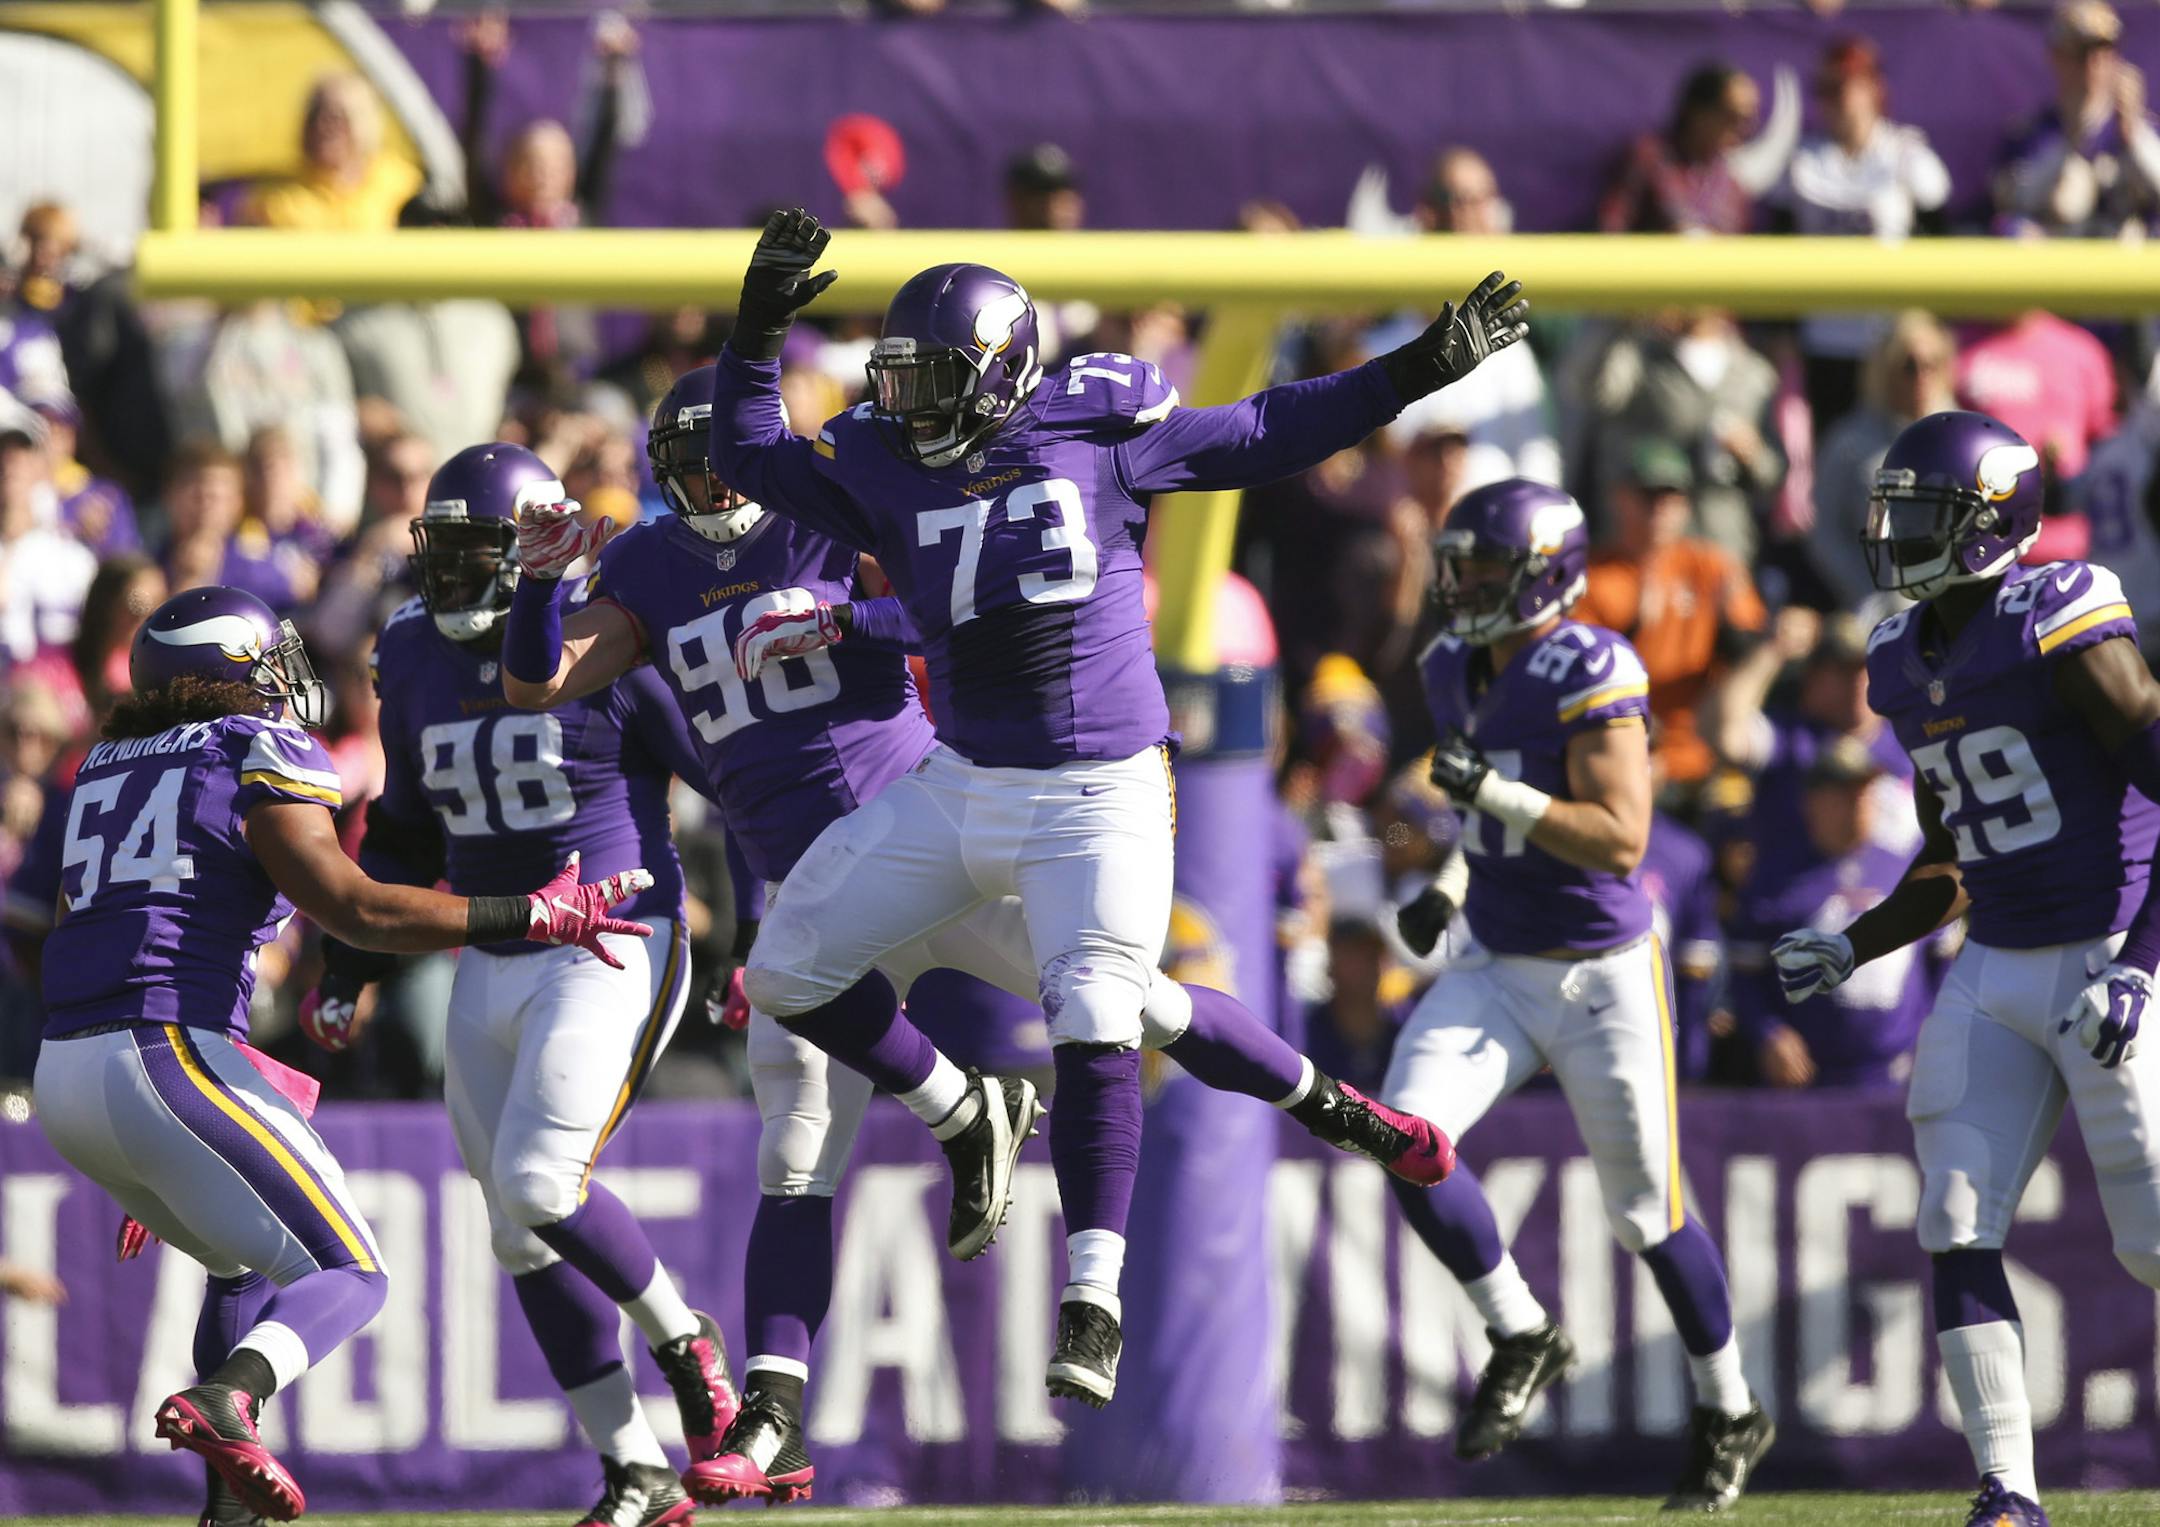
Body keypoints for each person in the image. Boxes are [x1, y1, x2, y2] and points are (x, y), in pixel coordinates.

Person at [504, 364, 1454, 1479]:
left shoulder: (824, 513)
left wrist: (847, 617)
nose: (714, 487)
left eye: (727, 459)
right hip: (817, 884)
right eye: (690, 468)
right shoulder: (647, 567)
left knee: (1133, 1003)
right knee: (795, 1152)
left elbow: (971, 593)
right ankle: (776, 1410)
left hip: (936, 836)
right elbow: (543, 683)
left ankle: (1328, 1102)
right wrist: (533, 585)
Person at [698, 212, 1512, 1408]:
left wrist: (1416, 370)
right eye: (900, 381)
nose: (911, 405)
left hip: (1099, 787)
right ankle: (969, 1108)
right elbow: (748, 450)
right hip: (960, 778)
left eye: (935, 382)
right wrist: (759, 327)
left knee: (1097, 1012)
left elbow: (1271, 427)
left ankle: (1094, 1299)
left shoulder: (1098, 428)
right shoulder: (880, 457)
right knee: (786, 973)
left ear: (1001, 371)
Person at [31, 585, 648, 1525]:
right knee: (352, 1273)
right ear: (223, 671)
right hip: (160, 1056)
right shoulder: (249, 748)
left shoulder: (107, 763)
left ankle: (224, 1514)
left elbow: (101, 938)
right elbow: (353, 906)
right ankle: (227, 1398)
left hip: (73, 1069)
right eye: (265, 659)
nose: (285, 676)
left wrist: (149, 1126)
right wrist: (528, 912)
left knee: (241, 1266)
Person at [301, 444, 734, 1527]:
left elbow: (728, 776)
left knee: (544, 1185)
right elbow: (402, 827)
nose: (445, 577)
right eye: (436, 552)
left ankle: (688, 1344)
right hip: (488, 956)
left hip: (613, 940)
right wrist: (350, 962)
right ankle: (632, 1467)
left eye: (469, 554)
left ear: (528, 554)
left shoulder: (608, 640)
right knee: (513, 1229)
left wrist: (768, 921)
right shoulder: (407, 649)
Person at [1771, 410, 2160, 1527]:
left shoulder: (2061, 619)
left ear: (1995, 519)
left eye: (1923, 516)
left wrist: (2139, 966)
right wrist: (1854, 943)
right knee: (1954, 1217)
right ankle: (2008, 1492)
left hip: (2108, 948)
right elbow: (1950, 863)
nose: (1895, 536)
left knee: (2151, 1245)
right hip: (1997, 961)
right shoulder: (1899, 660)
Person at [1384, 478, 1773, 1510]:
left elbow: (1620, 839)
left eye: (1480, 571)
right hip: (1496, 964)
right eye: (1456, 568)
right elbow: (1491, 818)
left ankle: (1729, 1407)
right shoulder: (1449, 666)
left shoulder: (1591, 664)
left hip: (1604, 973)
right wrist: (1447, 885)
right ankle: (1518, 1326)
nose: (1461, 588)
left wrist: (1490, 797)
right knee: (1401, 1135)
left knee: (1648, 1214)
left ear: (1543, 575)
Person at [1731, 737, 1933, 1089]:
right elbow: (1745, 974)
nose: (1858, 802)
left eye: (1865, 790)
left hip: (1900, 1076)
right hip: (1806, 1082)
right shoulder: (1774, 878)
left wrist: (1935, 1032)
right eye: (1843, 792)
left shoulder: (1909, 868)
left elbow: (1943, 961)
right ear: (1811, 802)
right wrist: (1770, 1033)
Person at [1773, 36, 1951, 425]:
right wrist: (1784, 332)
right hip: (1825, 336)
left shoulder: (1906, 155)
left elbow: (1939, 238)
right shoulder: (1802, 162)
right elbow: (1777, 247)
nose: (1836, 100)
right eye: (1826, 90)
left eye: (1845, 87)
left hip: (1890, 339)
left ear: (1873, 88)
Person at [1577, 440, 1768, 792]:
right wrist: (1632, 631)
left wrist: (1737, 639)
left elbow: (1755, 652)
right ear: (1620, 497)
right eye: (1649, 495)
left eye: (1671, 496)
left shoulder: (1711, 567)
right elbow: (1582, 683)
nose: (1660, 508)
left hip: (1706, 750)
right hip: (1625, 753)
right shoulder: (1592, 577)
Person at [1808, 312, 1959, 609]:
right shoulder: (1849, 441)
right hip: (1876, 603)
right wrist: (1871, 598)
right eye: (1909, 366)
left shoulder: (1966, 438)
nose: (1921, 376)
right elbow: (1824, 531)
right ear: (1885, 370)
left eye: (1932, 364)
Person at [1995, 0, 2160, 241]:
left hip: (2128, 265)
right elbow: (2014, 202)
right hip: (2058, 264)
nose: (2094, 64)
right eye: (2081, 53)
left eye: (2105, 52)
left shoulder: (2141, 130)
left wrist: (2132, 132)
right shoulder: (2032, 134)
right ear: (2057, 56)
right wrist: (2073, 139)